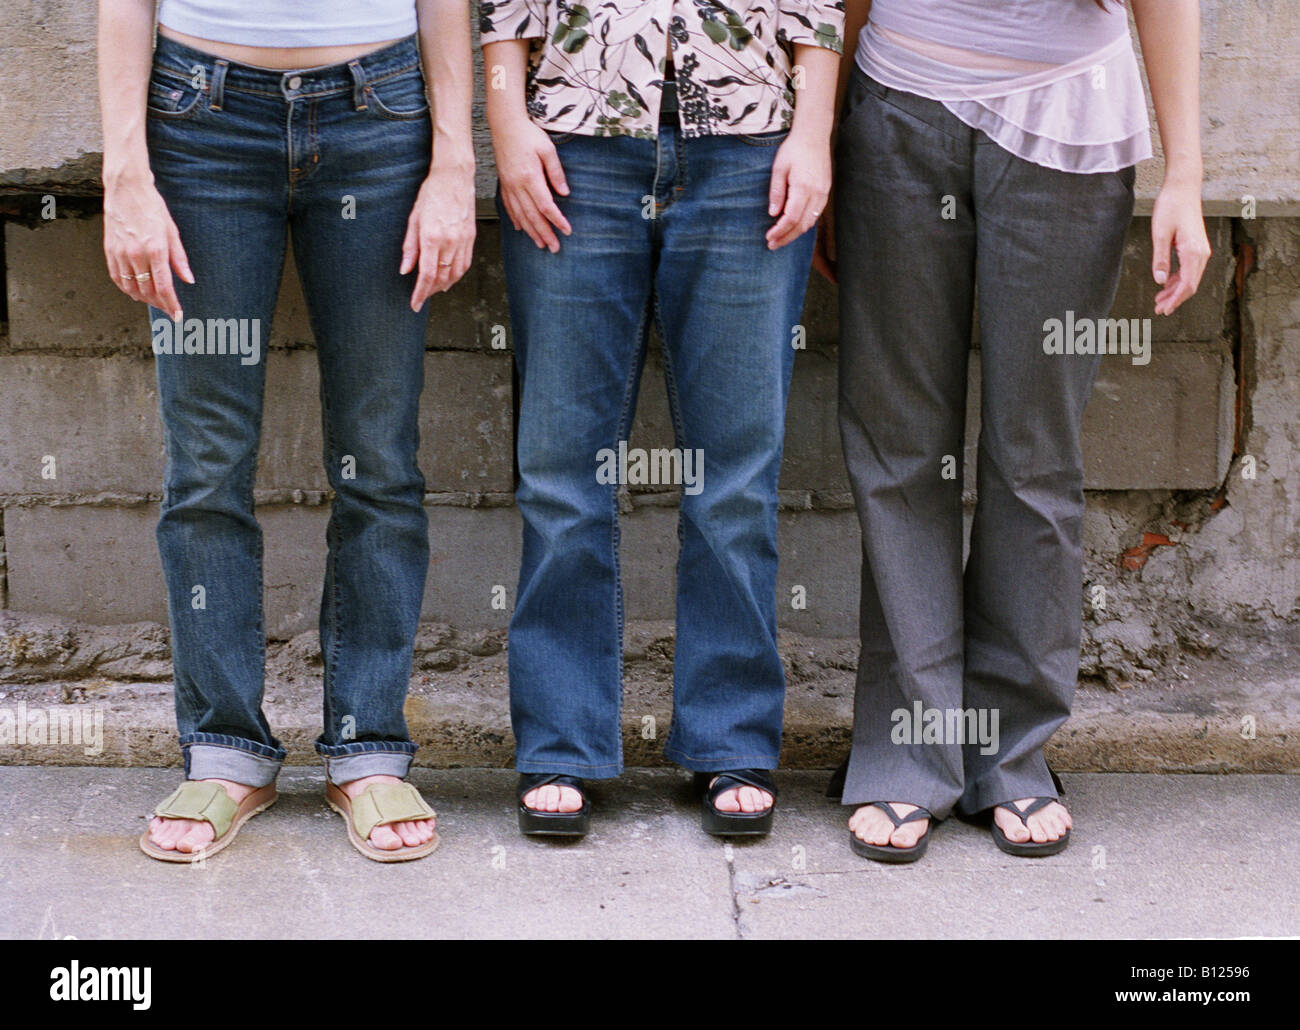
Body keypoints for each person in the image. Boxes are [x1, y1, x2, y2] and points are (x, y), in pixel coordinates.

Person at [820, 0, 1209, 861]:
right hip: (898, 109)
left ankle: (1011, 753)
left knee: (1033, 454)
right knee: (898, 447)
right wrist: (829, 137)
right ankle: (908, 752)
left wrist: (1186, 172)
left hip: (1068, 115)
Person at [97, 0, 476, 862]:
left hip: (378, 116)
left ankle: (369, 748)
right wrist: (126, 172)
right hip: (199, 122)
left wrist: (455, 159)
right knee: (205, 464)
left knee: (379, 457)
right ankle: (226, 751)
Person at [481, 0, 845, 837]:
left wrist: (813, 131)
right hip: (575, 142)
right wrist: (506, 121)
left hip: (751, 147)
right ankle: (561, 742)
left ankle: (731, 736)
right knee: (562, 471)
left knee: (736, 475)